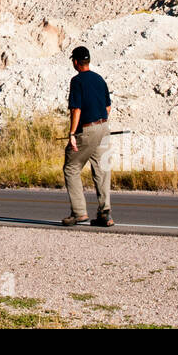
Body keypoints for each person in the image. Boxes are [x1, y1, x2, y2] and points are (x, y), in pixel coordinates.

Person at [61, 45, 114, 227]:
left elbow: (76, 109)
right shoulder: (99, 79)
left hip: (87, 129)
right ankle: (105, 213)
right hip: (103, 127)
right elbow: (107, 107)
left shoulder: (77, 81)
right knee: (102, 170)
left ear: (76, 62)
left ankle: (79, 212)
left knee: (71, 168)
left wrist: (72, 134)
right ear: (88, 60)